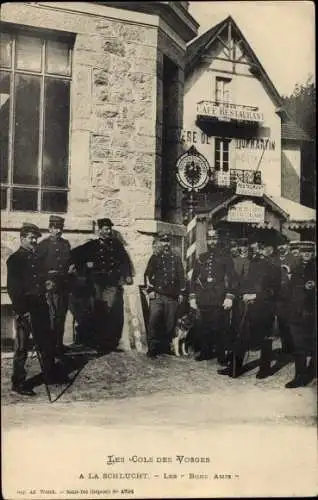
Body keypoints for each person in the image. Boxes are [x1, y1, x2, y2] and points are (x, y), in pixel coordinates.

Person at [7, 223, 66, 396]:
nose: (34, 241)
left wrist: (47, 284)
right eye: (31, 238)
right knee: (22, 347)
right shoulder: (15, 259)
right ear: (22, 238)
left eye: (35, 238)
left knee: (46, 342)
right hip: (24, 309)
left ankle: (49, 374)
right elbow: (13, 288)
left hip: (40, 306)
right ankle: (18, 382)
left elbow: (40, 279)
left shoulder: (36, 258)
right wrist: (21, 310)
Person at [219, 233, 281, 378]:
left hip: (264, 308)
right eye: (255, 249)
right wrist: (243, 295)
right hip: (246, 306)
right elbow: (243, 284)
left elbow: (275, 291)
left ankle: (264, 369)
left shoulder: (275, 268)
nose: (257, 252)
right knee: (240, 336)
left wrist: (255, 296)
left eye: (261, 249)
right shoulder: (251, 265)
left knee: (264, 338)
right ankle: (235, 368)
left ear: (268, 250)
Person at [70, 218, 133, 352]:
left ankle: (107, 342)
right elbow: (74, 255)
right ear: (99, 230)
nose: (108, 231)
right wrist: (84, 267)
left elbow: (125, 261)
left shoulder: (116, 245)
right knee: (97, 309)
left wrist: (127, 275)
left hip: (111, 283)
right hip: (96, 283)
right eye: (105, 229)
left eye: (109, 229)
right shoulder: (91, 245)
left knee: (108, 311)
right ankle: (95, 341)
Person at [189, 228, 236, 362]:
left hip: (218, 298)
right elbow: (194, 278)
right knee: (204, 327)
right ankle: (205, 352)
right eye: (210, 239)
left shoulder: (226, 258)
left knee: (220, 328)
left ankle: (221, 355)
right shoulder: (201, 258)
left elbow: (232, 278)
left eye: (214, 239)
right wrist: (192, 296)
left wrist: (229, 296)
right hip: (203, 298)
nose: (212, 242)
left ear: (219, 240)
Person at [144, 233, 186, 358]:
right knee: (153, 321)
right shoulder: (155, 257)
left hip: (172, 296)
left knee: (170, 324)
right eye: (163, 241)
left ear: (170, 243)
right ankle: (152, 348)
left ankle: (167, 346)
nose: (166, 244)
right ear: (160, 243)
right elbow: (147, 275)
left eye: (167, 241)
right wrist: (150, 290)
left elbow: (181, 277)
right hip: (157, 295)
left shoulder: (176, 258)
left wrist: (182, 292)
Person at [37, 215, 72, 356]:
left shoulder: (65, 244)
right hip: (50, 287)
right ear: (50, 229)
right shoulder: (43, 245)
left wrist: (71, 269)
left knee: (61, 316)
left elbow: (69, 262)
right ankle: (50, 347)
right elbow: (37, 267)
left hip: (63, 285)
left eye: (60, 228)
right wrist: (46, 277)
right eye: (55, 228)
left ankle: (59, 344)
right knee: (52, 317)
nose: (58, 231)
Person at [285, 241, 316, 388]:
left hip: (312, 313)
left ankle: (313, 372)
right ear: (300, 252)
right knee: (299, 346)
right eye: (304, 251)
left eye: (310, 251)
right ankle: (299, 377)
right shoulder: (295, 269)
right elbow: (289, 292)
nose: (307, 254)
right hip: (296, 313)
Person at [271, 233, 299, 355]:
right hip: (278, 296)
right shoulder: (274, 260)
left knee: (291, 322)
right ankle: (285, 348)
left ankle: (294, 348)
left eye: (283, 245)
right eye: (279, 246)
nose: (281, 248)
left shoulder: (294, 259)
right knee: (282, 322)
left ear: (288, 246)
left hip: (291, 295)